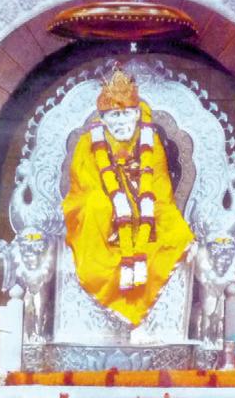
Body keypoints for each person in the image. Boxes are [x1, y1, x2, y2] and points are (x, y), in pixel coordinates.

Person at [62, 67, 193, 327]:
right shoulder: (88, 143)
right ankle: (110, 290)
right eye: (115, 115)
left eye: (126, 113)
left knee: (176, 231)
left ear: (136, 114)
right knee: (96, 206)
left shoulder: (150, 140)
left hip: (146, 205)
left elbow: (159, 186)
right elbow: (84, 184)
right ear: (103, 119)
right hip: (105, 206)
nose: (121, 121)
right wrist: (116, 203)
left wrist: (140, 207)